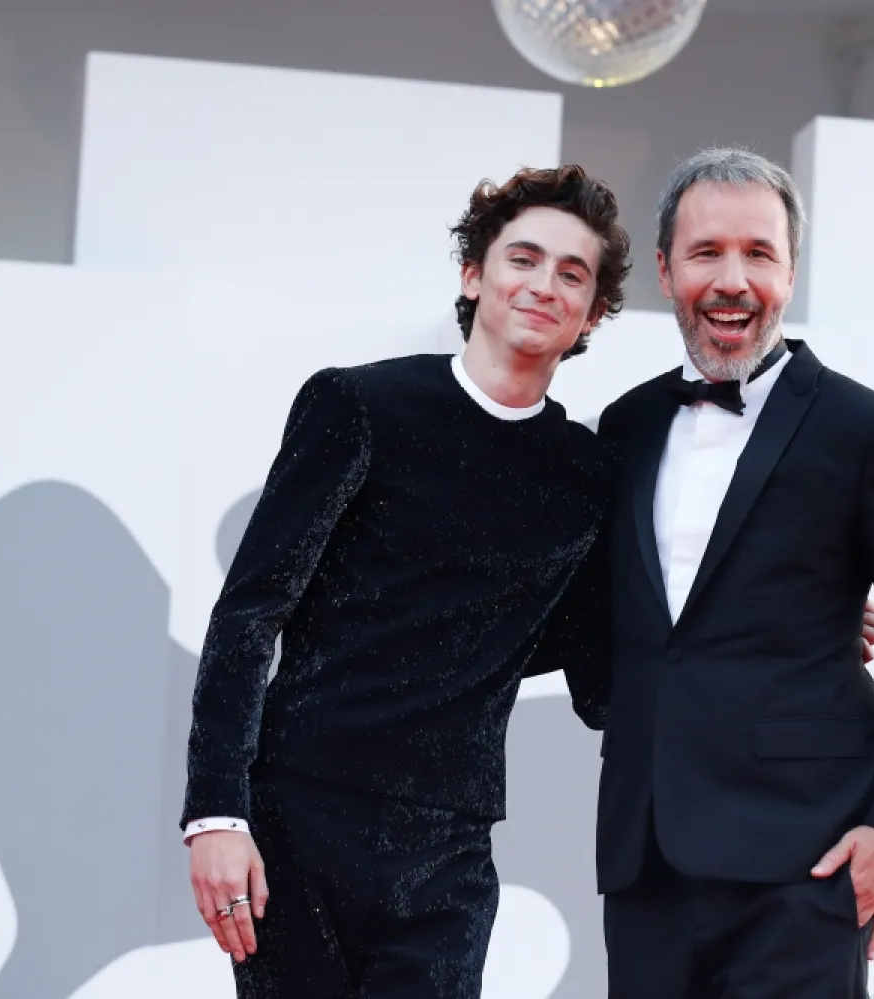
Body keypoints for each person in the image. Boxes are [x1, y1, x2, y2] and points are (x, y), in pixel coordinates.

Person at [178, 164, 632, 998]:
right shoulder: (360, 405)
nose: (544, 285)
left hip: (449, 844)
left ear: (595, 312)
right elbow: (250, 614)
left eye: (573, 273)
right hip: (300, 816)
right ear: (474, 274)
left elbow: (599, 670)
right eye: (522, 258)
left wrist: (799, 618)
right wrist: (216, 812)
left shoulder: (589, 475)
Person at [579, 146, 874, 999]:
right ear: (663, 269)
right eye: (706, 253)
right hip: (646, 864)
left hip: (804, 866)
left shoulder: (866, 430)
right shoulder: (624, 427)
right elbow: (612, 621)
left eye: (758, 253)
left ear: (791, 271)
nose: (733, 279)